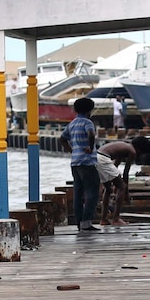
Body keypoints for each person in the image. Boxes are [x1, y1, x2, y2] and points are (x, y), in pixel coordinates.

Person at [59, 97, 100, 231]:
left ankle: (79, 223)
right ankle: (86, 222)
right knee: (92, 192)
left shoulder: (72, 123)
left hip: (75, 162)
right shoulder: (87, 122)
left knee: (78, 192)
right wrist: (90, 146)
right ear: (89, 110)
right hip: (87, 162)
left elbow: (62, 139)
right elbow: (91, 134)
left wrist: (71, 150)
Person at [96, 141, 136, 226]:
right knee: (122, 186)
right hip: (103, 158)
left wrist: (115, 184)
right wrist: (126, 193)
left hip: (96, 157)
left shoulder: (123, 147)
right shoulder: (132, 151)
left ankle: (104, 219)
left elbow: (115, 166)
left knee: (108, 189)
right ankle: (116, 219)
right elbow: (126, 173)